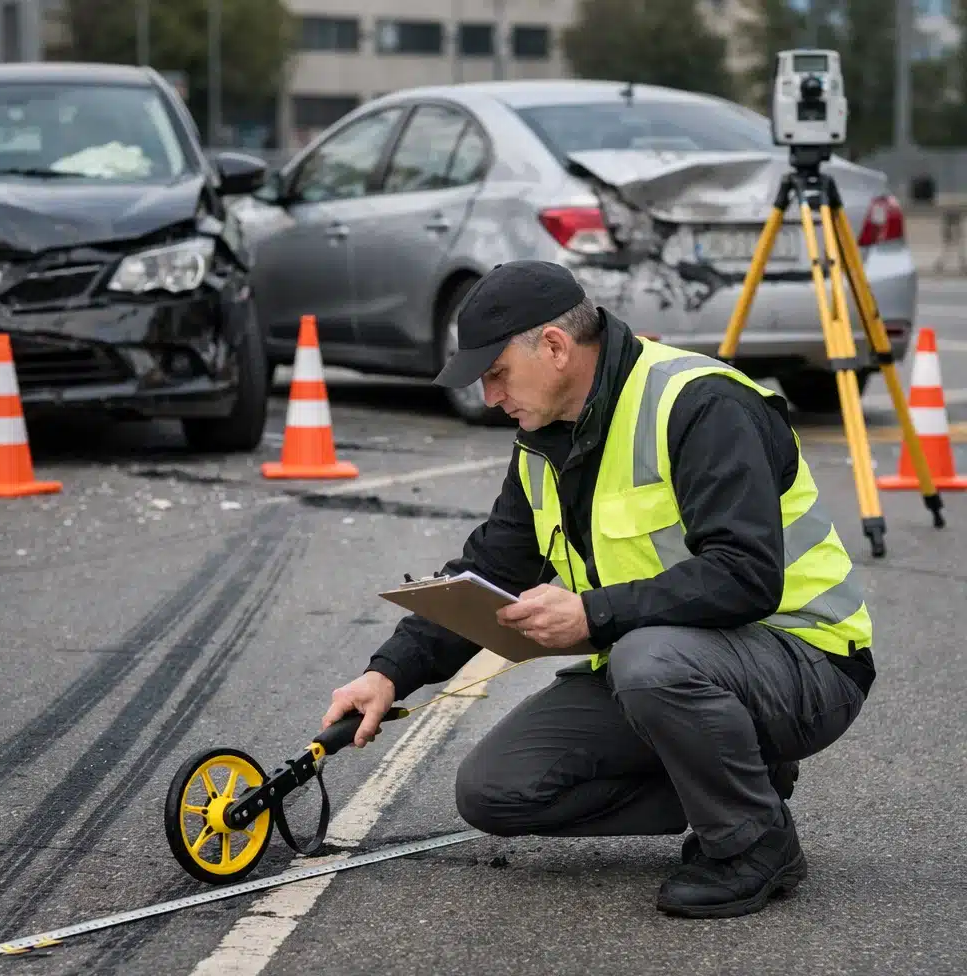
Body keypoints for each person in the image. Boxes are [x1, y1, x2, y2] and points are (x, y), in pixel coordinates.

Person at [321, 260, 875, 919]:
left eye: (495, 374)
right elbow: (491, 571)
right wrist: (389, 672)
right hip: (683, 671)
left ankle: (753, 845)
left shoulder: (698, 404)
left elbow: (745, 575)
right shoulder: (542, 439)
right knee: (494, 790)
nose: (490, 397)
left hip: (804, 661)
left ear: (554, 347)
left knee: (646, 662)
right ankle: (740, 782)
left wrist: (592, 613)